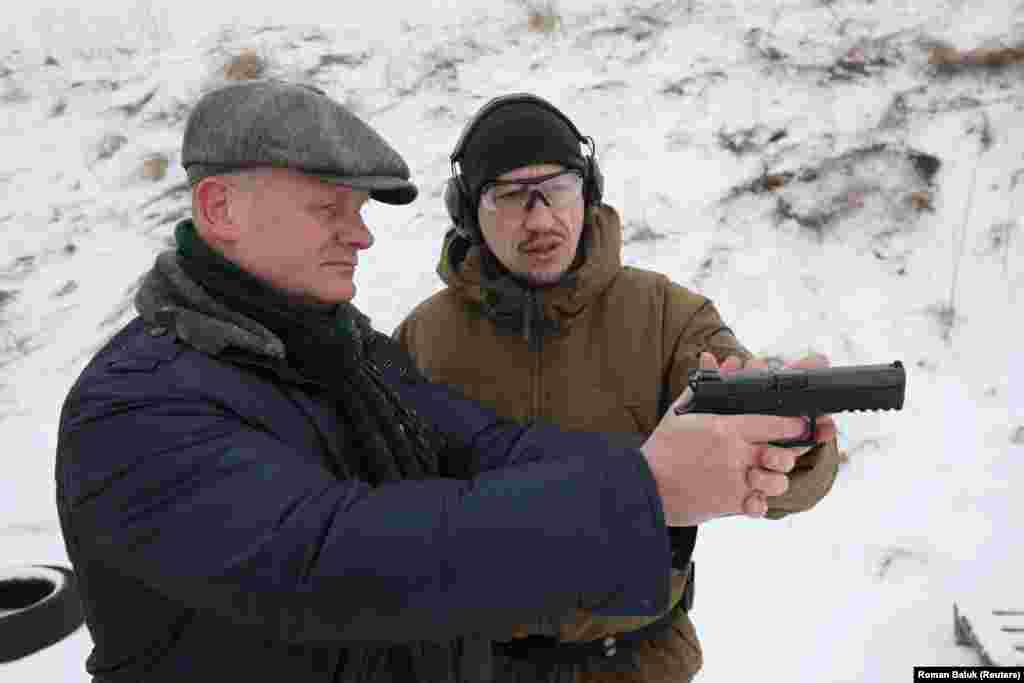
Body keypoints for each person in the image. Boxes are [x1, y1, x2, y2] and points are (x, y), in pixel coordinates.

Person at [54, 80, 832, 683]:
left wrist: (731, 448)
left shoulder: (337, 350)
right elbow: (334, 559)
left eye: (555, 188)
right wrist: (644, 490)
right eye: (331, 207)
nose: (360, 232)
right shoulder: (136, 407)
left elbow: (484, 448)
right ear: (219, 209)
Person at [393, 93, 843, 682]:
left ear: (589, 191)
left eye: (556, 189)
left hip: (636, 665)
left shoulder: (668, 316)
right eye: (509, 196)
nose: (540, 219)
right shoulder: (420, 340)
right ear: (467, 212)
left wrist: (791, 443)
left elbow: (782, 468)